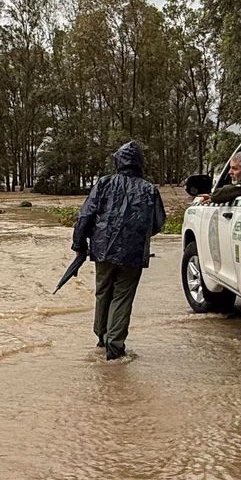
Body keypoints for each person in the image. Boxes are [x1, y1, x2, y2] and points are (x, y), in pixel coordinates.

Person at [72, 141, 167, 360]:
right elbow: (158, 223)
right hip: (132, 253)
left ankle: (102, 336)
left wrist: (79, 245)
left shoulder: (104, 184)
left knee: (103, 291)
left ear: (118, 162)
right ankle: (114, 346)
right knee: (122, 296)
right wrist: (137, 236)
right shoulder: (149, 189)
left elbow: (85, 215)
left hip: (102, 249)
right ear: (139, 164)